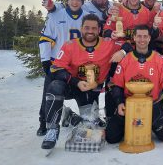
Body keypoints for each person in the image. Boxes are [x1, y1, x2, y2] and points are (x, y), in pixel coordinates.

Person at [41, 14, 121, 149]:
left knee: (88, 124)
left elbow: (131, 47)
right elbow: (56, 69)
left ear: (99, 29)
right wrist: (76, 82)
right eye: (87, 28)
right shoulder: (70, 45)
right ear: (81, 28)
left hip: (92, 89)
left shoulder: (108, 44)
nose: (90, 31)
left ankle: (69, 116)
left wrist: (123, 52)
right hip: (73, 86)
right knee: (55, 86)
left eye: (94, 28)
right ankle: (52, 129)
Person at [105, 25, 163, 143]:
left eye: (145, 36)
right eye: (139, 36)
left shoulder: (159, 59)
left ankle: (150, 123)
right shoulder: (125, 59)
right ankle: (129, 124)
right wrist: (119, 103)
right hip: (130, 104)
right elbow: (117, 85)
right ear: (134, 38)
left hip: (152, 104)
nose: (142, 39)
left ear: (149, 38)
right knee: (111, 137)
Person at [37, 0, 88, 136]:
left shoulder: (86, 17)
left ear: (82, 2)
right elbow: (45, 39)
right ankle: (44, 123)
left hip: (78, 65)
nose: (74, 2)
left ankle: (88, 119)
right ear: (67, 1)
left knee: (86, 92)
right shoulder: (55, 15)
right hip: (57, 64)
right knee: (49, 93)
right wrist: (45, 61)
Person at [43, 0, 112, 35]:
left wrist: (123, 4)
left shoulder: (113, 6)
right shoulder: (85, 6)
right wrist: (52, 7)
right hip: (93, 41)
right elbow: (66, 8)